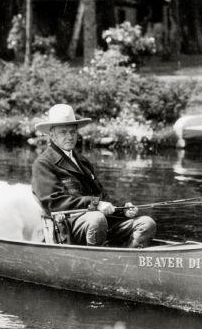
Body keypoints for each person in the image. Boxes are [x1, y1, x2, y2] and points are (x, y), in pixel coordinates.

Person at [31, 104, 157, 247]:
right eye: (63, 132)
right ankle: (97, 262)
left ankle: (127, 258)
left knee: (147, 224)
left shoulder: (82, 161)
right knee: (97, 219)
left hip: (99, 222)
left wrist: (123, 210)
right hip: (67, 228)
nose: (69, 136)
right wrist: (96, 204)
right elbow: (54, 203)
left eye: (73, 132)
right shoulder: (43, 164)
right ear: (51, 134)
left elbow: (100, 194)